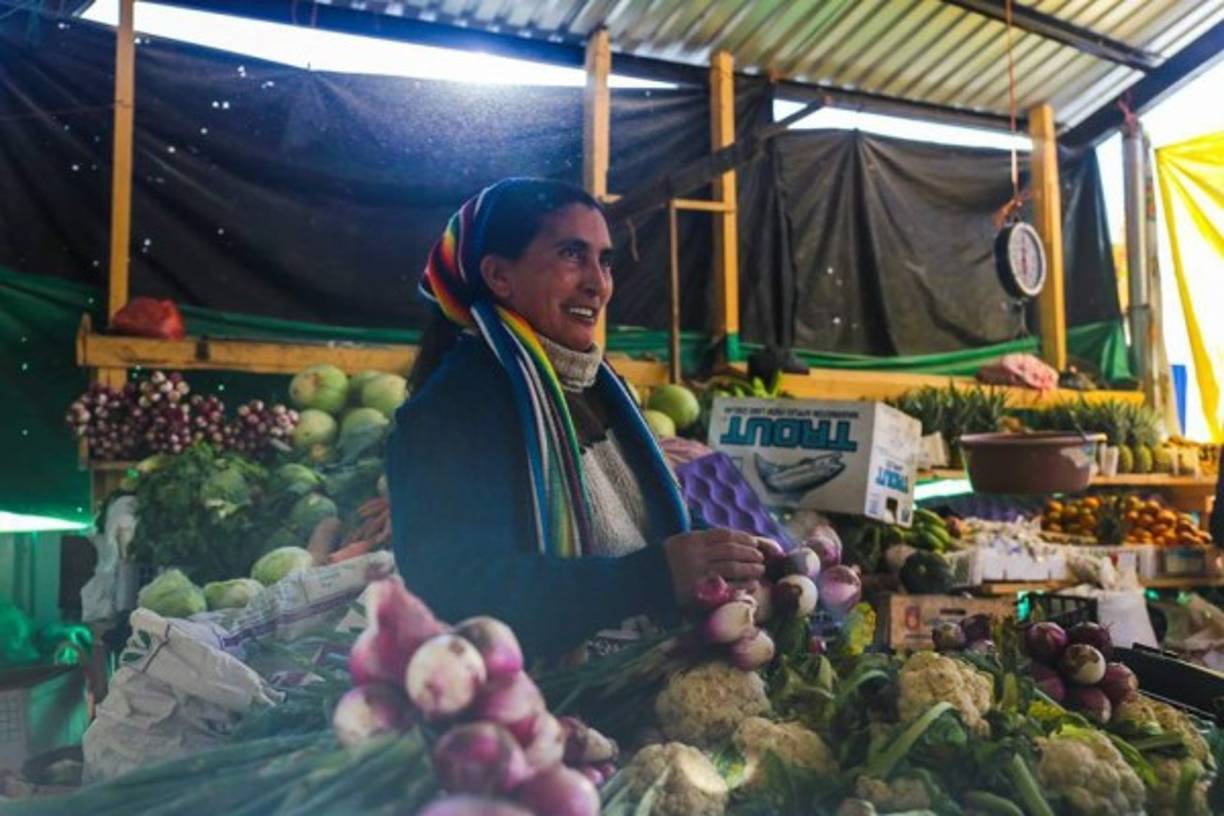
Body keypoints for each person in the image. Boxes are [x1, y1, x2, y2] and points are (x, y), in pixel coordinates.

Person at [386, 178, 764, 661]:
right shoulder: (451, 411)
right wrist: (653, 576)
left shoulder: (599, 386)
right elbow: (457, 588)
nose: (597, 284)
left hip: (643, 660)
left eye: (604, 261)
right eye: (571, 255)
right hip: (549, 688)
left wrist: (724, 556)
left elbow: (645, 517)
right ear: (499, 276)